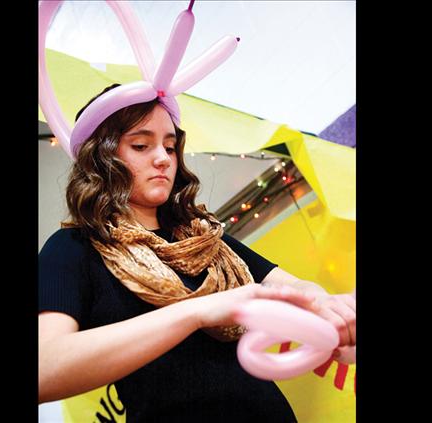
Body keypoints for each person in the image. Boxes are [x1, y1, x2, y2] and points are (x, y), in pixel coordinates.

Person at [39, 83, 356, 422]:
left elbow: (295, 289)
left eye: (170, 146)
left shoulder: (206, 238)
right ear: (101, 157)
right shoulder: (74, 249)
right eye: (141, 145)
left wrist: (328, 309)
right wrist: (198, 312)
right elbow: (45, 367)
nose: (163, 158)